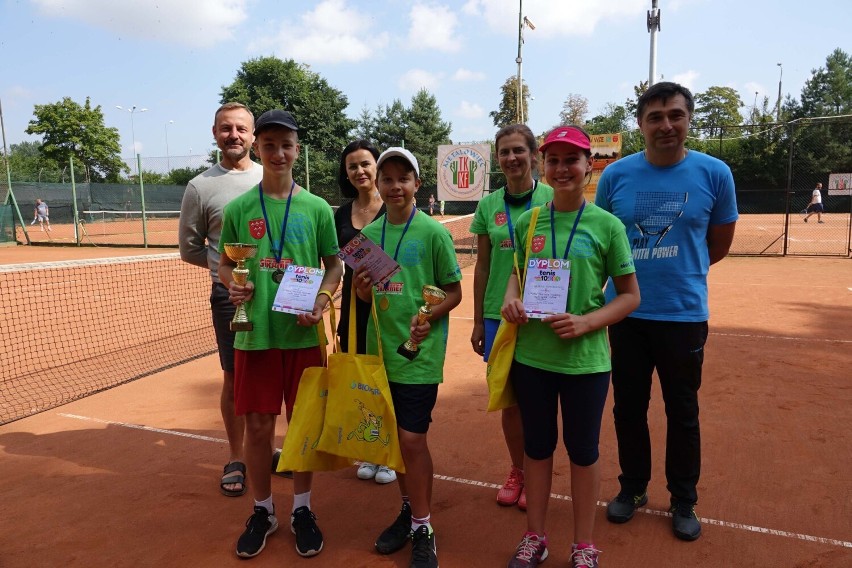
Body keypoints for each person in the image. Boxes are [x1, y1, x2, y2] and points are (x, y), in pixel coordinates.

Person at [595, 82, 738, 542]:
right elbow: (600, 245)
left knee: (683, 410)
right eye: (655, 117)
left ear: (688, 120)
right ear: (640, 124)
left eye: (675, 115)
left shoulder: (715, 174)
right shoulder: (616, 176)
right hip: (626, 316)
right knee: (628, 408)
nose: (666, 125)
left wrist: (677, 273)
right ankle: (633, 488)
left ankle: (683, 499)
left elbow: (717, 246)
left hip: (684, 315)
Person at [503, 126, 640, 568]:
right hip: (533, 358)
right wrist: (510, 298)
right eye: (554, 160)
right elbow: (516, 274)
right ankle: (535, 537)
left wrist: (586, 322)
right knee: (537, 450)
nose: (562, 169)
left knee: (583, 452)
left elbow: (630, 296)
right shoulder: (529, 221)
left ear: (588, 166)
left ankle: (583, 545)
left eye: (571, 160)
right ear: (544, 166)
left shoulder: (608, 225)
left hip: (586, 362)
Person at [218, 109, 343, 559]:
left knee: (304, 429)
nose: (278, 152)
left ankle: (303, 510)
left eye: (286, 145)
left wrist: (321, 302)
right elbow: (226, 263)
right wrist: (233, 283)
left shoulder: (315, 209)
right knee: (256, 427)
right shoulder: (238, 209)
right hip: (257, 335)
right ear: (258, 148)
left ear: (296, 150)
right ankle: (264, 510)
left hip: (303, 335)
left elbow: (334, 266)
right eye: (268, 144)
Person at [353, 147, 462, 568]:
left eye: (403, 178)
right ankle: (409, 510)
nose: (395, 186)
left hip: (419, 353)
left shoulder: (433, 234)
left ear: (417, 184)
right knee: (397, 440)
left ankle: (424, 527)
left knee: (413, 441)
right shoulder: (368, 238)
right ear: (377, 186)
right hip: (380, 352)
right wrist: (362, 288)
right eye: (387, 179)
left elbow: (452, 291)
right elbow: (366, 295)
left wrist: (428, 315)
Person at [179, 102, 264, 498]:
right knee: (235, 376)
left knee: (272, 372)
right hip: (229, 298)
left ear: (253, 136)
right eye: (226, 128)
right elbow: (191, 248)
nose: (234, 135)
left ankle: (264, 449)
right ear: (215, 133)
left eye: (241, 129)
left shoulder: (272, 177)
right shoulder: (200, 187)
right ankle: (237, 457)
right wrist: (226, 273)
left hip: (276, 296)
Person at [470, 123, 554, 511]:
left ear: (534, 155)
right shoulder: (489, 206)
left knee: (540, 398)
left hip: (541, 314)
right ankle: (517, 470)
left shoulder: (554, 198)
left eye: (519, 150)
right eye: (504, 152)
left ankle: (538, 473)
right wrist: (476, 320)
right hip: (496, 316)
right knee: (510, 400)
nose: (511, 158)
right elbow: (483, 267)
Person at [333, 139, 396, 485]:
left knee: (387, 376)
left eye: (365, 164)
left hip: (390, 307)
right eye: (352, 166)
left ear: (377, 168)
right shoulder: (340, 214)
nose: (360, 171)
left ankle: (389, 451)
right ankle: (370, 449)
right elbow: (330, 260)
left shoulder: (395, 206)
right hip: (354, 308)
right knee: (362, 378)